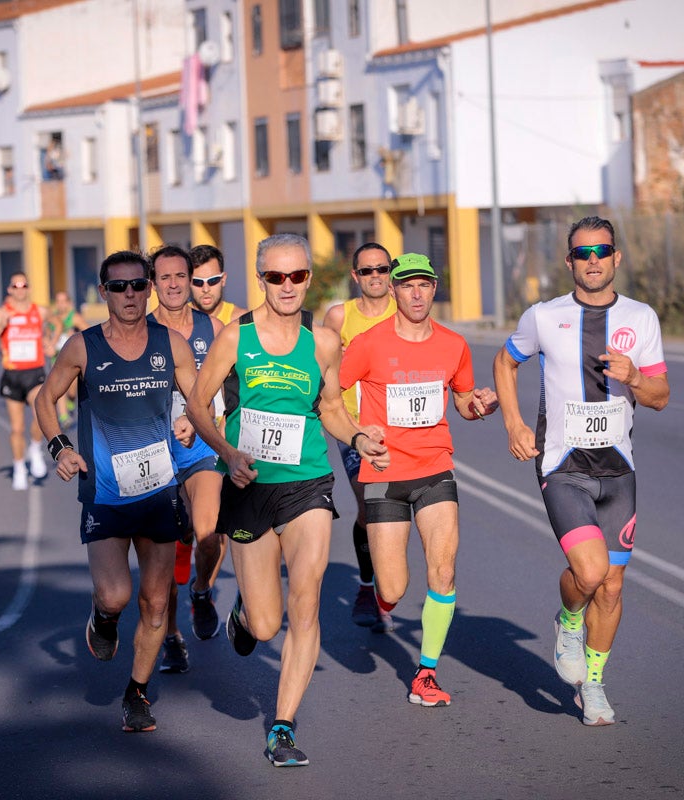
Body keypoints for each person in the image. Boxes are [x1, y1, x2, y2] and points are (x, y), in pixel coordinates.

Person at [185, 233, 389, 767]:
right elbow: (199, 402)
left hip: (308, 481)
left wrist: (360, 437)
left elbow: (333, 409)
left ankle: (281, 726)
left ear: (307, 279)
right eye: (276, 277)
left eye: (297, 276)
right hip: (249, 486)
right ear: (261, 280)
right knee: (266, 624)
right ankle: (245, 618)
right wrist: (226, 452)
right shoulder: (236, 337)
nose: (288, 286)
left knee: (307, 594)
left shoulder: (323, 342)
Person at [492, 216, 670, 726]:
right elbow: (506, 363)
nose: (593, 260)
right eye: (582, 253)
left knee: (612, 587)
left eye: (602, 251)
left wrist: (634, 376)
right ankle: (569, 619)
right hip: (563, 466)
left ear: (617, 258)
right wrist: (513, 423)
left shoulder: (642, 318)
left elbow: (660, 397)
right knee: (589, 574)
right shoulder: (545, 317)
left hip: (619, 471)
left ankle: (593, 684)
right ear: (569, 262)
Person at [33, 250, 201, 733]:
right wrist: (61, 447)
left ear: (148, 288)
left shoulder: (170, 344)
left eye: (136, 286)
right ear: (103, 292)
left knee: (155, 602)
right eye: (118, 287)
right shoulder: (82, 347)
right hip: (105, 492)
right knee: (115, 594)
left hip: (159, 490)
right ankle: (102, 619)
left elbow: (198, 396)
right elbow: (46, 399)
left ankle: (137, 693)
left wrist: (196, 421)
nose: (129, 295)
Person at [339, 253, 499, 708]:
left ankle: (426, 672)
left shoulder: (453, 344)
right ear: (393, 290)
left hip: (434, 469)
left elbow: (465, 401)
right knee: (392, 588)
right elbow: (331, 396)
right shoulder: (368, 343)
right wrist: (357, 430)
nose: (415, 293)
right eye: (406, 284)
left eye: (424, 284)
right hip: (385, 473)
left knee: (443, 572)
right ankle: (380, 601)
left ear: (434, 289)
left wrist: (481, 405)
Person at [147, 245, 228, 675]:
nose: (176, 285)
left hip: (201, 447)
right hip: (155, 455)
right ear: (153, 284)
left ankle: (201, 590)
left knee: (209, 530)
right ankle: (174, 639)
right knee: (163, 558)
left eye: (182, 276)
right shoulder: (139, 331)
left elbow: (220, 391)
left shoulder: (211, 327)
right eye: (166, 277)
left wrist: (202, 420)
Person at [322, 242, 398, 630]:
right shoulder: (339, 316)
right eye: (367, 271)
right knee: (370, 503)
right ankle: (369, 586)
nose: (375, 277)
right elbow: (321, 365)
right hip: (353, 426)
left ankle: (389, 577)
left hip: (400, 426)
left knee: (397, 508)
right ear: (355, 276)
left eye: (382, 270)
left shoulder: (404, 313)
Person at [0, 272, 50, 491]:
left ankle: (36, 448)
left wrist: (51, 341)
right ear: (9, 289)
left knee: (41, 412)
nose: (20, 289)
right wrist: (1, 327)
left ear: (28, 288)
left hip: (35, 371)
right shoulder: (2, 313)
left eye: (24, 285)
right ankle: (19, 467)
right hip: (12, 374)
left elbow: (58, 322)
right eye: (15, 285)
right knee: (17, 428)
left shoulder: (39, 311)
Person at [44, 291, 89, 426]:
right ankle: (63, 417)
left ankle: (71, 401)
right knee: (60, 385)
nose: (61, 304)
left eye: (64, 301)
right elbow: (46, 335)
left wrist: (75, 334)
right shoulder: (52, 319)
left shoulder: (74, 318)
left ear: (69, 303)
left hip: (73, 358)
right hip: (57, 358)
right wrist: (48, 343)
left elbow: (88, 333)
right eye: (58, 301)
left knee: (72, 390)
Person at [190, 244, 246, 324]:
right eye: (198, 282)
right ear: (188, 282)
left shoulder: (242, 321)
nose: (206, 289)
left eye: (213, 280)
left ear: (223, 279)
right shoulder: (175, 321)